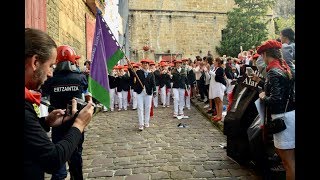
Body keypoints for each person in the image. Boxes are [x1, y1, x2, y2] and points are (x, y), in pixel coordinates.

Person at [24, 28, 94, 180]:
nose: (50, 73)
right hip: (71, 123)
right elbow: (52, 159)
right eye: (50, 66)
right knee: (75, 159)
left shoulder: (50, 82)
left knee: (60, 172)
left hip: (58, 124)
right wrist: (80, 124)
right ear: (35, 62)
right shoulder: (80, 77)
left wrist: (45, 122)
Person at [41, 45, 92, 180]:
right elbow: (85, 94)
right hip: (76, 123)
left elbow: (44, 96)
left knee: (59, 156)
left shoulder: (51, 79)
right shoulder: (80, 78)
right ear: (72, 60)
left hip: (57, 122)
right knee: (76, 156)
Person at [257, 39, 295, 180]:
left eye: (262, 55)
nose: (262, 59)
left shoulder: (273, 71)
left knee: (288, 163)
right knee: (288, 159)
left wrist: (262, 97)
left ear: (266, 54)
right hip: (289, 115)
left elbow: (275, 99)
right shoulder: (282, 67)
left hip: (282, 117)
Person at [128, 59, 156, 130]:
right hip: (140, 92)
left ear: (148, 65)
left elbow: (153, 83)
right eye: (144, 64)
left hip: (148, 93)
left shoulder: (151, 74)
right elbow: (132, 75)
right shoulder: (138, 72)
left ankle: (146, 122)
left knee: (148, 107)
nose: (145, 65)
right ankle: (141, 124)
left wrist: (155, 91)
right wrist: (129, 68)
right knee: (140, 108)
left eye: (146, 64)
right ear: (142, 65)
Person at [208, 57, 226, 121]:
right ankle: (217, 114)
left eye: (215, 61)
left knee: (219, 100)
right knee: (215, 100)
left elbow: (217, 76)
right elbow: (211, 76)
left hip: (218, 86)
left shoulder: (220, 69)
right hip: (214, 86)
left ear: (218, 62)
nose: (214, 62)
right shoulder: (214, 69)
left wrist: (209, 71)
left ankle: (220, 115)